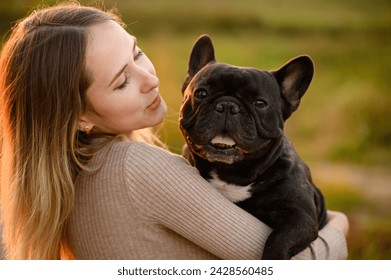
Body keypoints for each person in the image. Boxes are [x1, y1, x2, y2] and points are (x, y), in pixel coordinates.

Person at [0, 2, 349, 260]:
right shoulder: (137, 169)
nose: (151, 79)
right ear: (79, 117)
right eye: (122, 81)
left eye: (138, 54)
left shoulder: (73, 176)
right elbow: (301, 264)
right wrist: (339, 224)